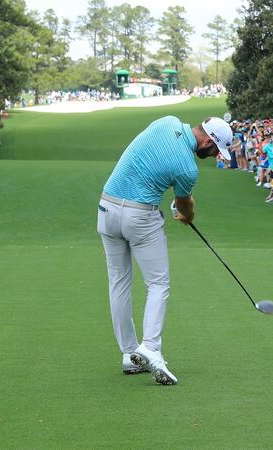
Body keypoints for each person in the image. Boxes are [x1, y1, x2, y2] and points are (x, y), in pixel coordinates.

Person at [97, 116, 232, 385]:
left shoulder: (166, 121)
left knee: (119, 283)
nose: (216, 155)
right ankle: (150, 347)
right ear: (207, 141)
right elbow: (185, 205)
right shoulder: (188, 168)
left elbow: (151, 160)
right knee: (158, 283)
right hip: (139, 216)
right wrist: (186, 216)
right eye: (216, 150)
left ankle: (128, 353)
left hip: (106, 207)